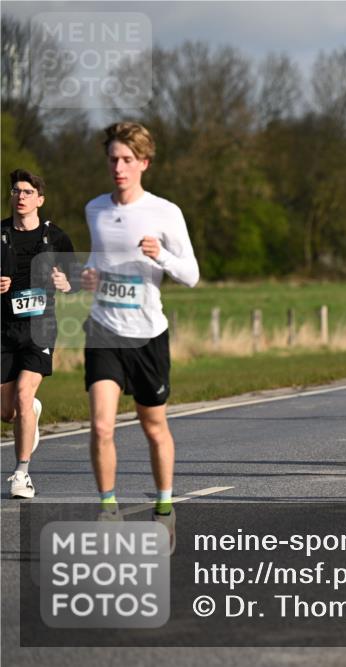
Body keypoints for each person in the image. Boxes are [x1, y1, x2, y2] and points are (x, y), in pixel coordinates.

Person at [80, 122, 199, 545]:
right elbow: (96, 262)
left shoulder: (165, 212)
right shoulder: (94, 209)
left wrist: (161, 254)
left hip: (148, 335)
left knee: (153, 426)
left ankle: (164, 508)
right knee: (101, 426)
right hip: (104, 330)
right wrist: (89, 277)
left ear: (144, 163)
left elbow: (192, 275)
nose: (119, 167)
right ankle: (108, 510)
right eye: (113, 159)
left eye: (127, 160)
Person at [1, 169, 77, 499]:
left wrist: (66, 283)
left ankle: (21, 475)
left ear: (39, 199)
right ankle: (29, 411)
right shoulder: (0, 233)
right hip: (3, 328)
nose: (21, 196)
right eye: (16, 191)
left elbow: (74, 279)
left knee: (23, 392)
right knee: (7, 412)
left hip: (40, 326)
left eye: (28, 192)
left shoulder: (56, 237)